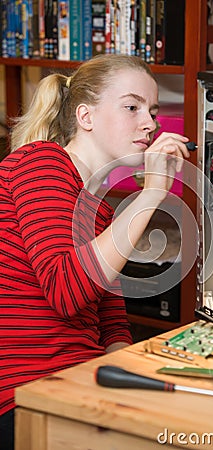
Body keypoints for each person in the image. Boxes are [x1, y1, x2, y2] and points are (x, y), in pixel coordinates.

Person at [0, 54, 191, 449]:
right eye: (132, 107)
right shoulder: (39, 164)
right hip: (25, 394)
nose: (150, 124)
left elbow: (111, 322)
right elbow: (67, 292)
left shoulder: (98, 207)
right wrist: (152, 192)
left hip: (80, 382)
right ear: (85, 117)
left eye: (153, 111)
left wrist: (130, 379)